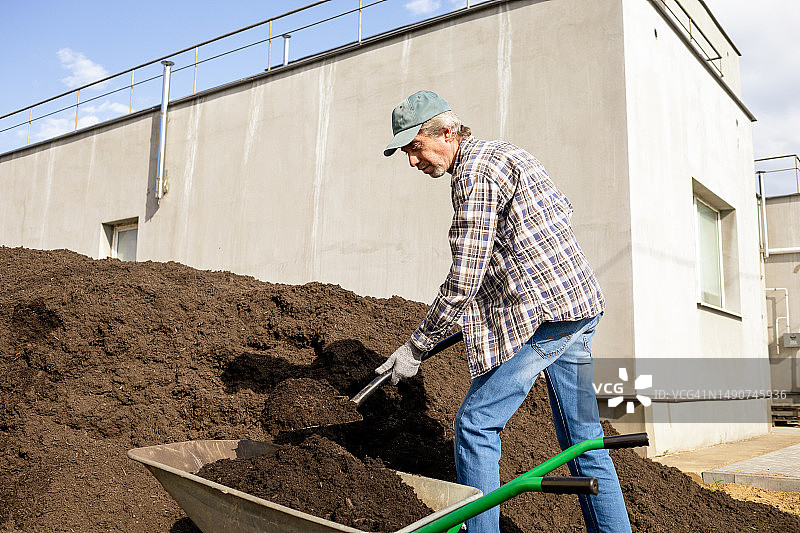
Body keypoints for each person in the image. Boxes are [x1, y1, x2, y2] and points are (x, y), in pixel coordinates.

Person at [377, 90, 632, 533]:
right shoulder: (506, 153)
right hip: (579, 307)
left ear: (447, 133)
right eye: (406, 153)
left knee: (476, 424)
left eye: (416, 147)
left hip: (548, 321)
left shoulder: (474, 174)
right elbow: (558, 215)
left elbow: (465, 276)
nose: (413, 161)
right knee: (584, 444)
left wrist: (416, 347)